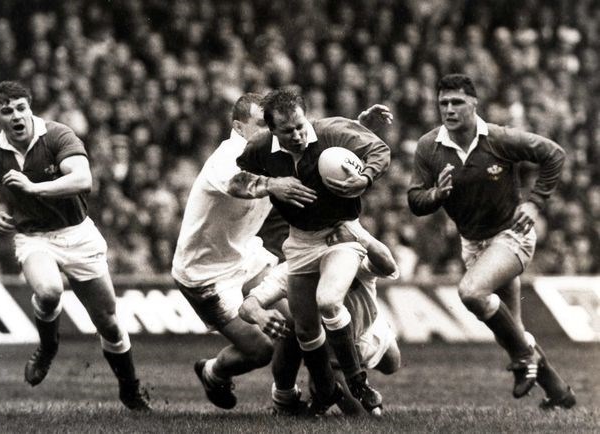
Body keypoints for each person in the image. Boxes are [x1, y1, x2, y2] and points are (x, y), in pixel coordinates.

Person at [171, 92, 393, 410]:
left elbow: (316, 147)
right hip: (205, 273)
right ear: (239, 127)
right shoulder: (230, 155)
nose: (269, 131)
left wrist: (356, 129)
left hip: (247, 256)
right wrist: (272, 184)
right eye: (261, 124)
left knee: (297, 325)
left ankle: (286, 400)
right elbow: (235, 182)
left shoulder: (279, 147)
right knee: (260, 350)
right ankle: (212, 372)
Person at [407, 73, 575, 409]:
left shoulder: (498, 138)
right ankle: (559, 393)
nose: (449, 109)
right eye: (443, 103)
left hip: (512, 235)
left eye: (457, 102)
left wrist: (535, 202)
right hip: (474, 245)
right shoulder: (429, 147)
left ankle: (524, 357)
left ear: (474, 103)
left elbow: (554, 154)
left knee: (472, 292)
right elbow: (415, 200)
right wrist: (436, 195)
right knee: (510, 331)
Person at [0, 81, 150, 410]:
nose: (16, 115)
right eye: (7, 111)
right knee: (49, 291)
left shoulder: (57, 135)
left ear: (30, 109)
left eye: (21, 108)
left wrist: (34, 188)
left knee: (108, 322)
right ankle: (48, 347)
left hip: (76, 233)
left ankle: (129, 387)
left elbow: (82, 179)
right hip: (33, 236)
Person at [239, 221, 401, 416]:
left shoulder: (352, 253)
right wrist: (260, 315)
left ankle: (319, 386)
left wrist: (362, 235)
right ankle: (320, 385)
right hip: (334, 351)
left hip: (369, 329)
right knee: (363, 416)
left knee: (393, 363)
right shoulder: (293, 270)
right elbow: (247, 305)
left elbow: (388, 266)